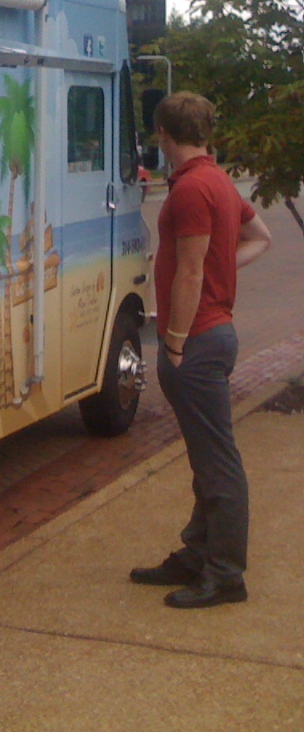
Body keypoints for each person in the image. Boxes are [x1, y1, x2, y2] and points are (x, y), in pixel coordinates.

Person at [130, 92, 271, 609]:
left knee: (218, 463)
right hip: (212, 335)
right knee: (206, 458)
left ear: (164, 135)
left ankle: (226, 573)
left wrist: (173, 344)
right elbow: (261, 237)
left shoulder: (192, 189)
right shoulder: (217, 181)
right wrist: (223, 271)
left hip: (199, 342)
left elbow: (190, 271)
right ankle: (199, 553)